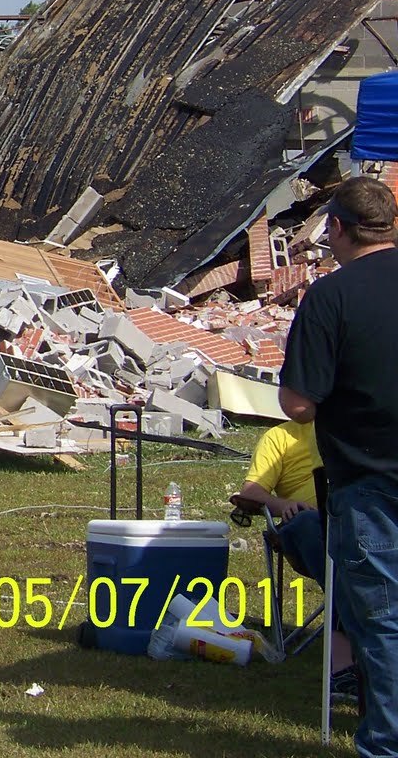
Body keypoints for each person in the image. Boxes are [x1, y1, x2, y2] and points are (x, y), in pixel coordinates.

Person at [281, 175, 398, 756]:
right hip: (370, 478)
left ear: (338, 229)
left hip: (370, 480)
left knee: (383, 624)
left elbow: (298, 403)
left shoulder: (330, 298)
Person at [229, 420, 355, 684]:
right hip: (308, 530)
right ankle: (348, 649)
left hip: (357, 525)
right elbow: (251, 491)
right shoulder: (280, 436)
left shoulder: (356, 422)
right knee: (306, 524)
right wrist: (284, 504)